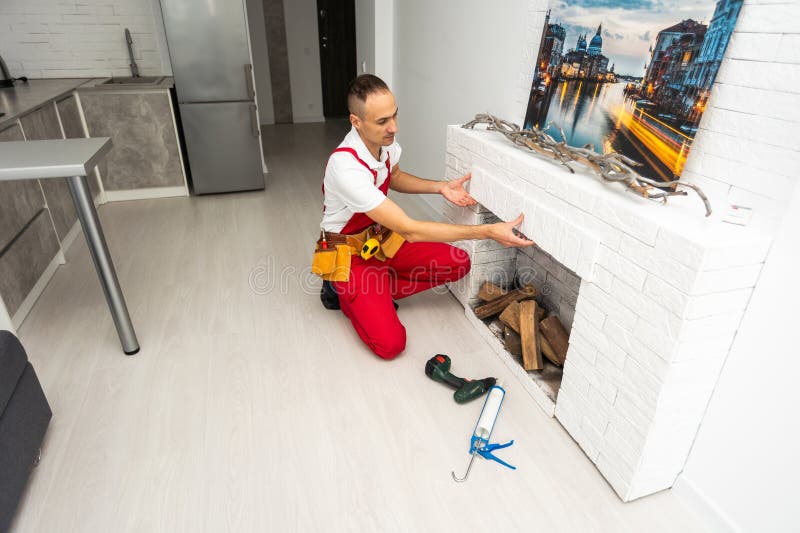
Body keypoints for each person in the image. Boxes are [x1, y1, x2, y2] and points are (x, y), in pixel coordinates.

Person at [317, 74, 533, 360]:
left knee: (458, 263)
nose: (393, 127)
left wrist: (440, 187)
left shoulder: (386, 145)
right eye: (382, 121)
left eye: (394, 115)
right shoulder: (345, 166)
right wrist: (488, 231)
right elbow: (410, 230)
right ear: (356, 122)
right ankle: (341, 292)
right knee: (391, 345)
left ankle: (375, 290)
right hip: (349, 255)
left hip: (380, 240)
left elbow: (393, 176)